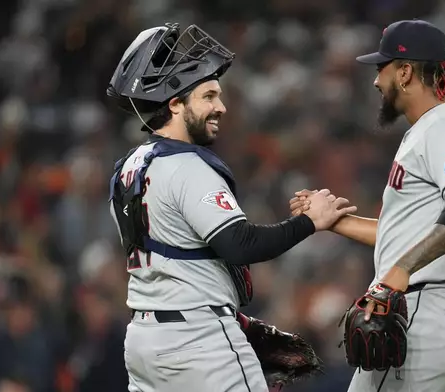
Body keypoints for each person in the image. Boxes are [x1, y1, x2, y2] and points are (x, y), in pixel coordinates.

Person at [105, 23, 355, 392]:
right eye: (208, 96)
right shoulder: (187, 165)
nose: (220, 107)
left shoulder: (128, 167)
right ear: (175, 103)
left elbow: (179, 257)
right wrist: (309, 221)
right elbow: (241, 244)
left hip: (145, 341)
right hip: (199, 342)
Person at [290, 19, 445, 392]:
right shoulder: (430, 128)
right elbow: (412, 234)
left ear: (405, 71)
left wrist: (400, 271)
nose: (376, 81)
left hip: (435, 307)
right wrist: (334, 221)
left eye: (381, 68)